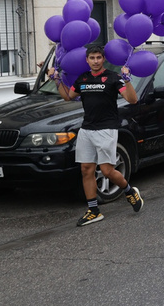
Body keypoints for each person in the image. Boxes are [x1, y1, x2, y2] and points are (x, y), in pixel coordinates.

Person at [49, 45, 144, 226]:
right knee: (86, 169)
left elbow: (133, 100)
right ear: (87, 60)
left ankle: (129, 191)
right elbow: (68, 96)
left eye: (98, 57)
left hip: (106, 129)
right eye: (92, 58)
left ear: (103, 59)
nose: (95, 61)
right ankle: (93, 210)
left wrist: (127, 80)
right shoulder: (82, 78)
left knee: (107, 171)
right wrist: (56, 80)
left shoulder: (113, 78)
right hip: (87, 129)